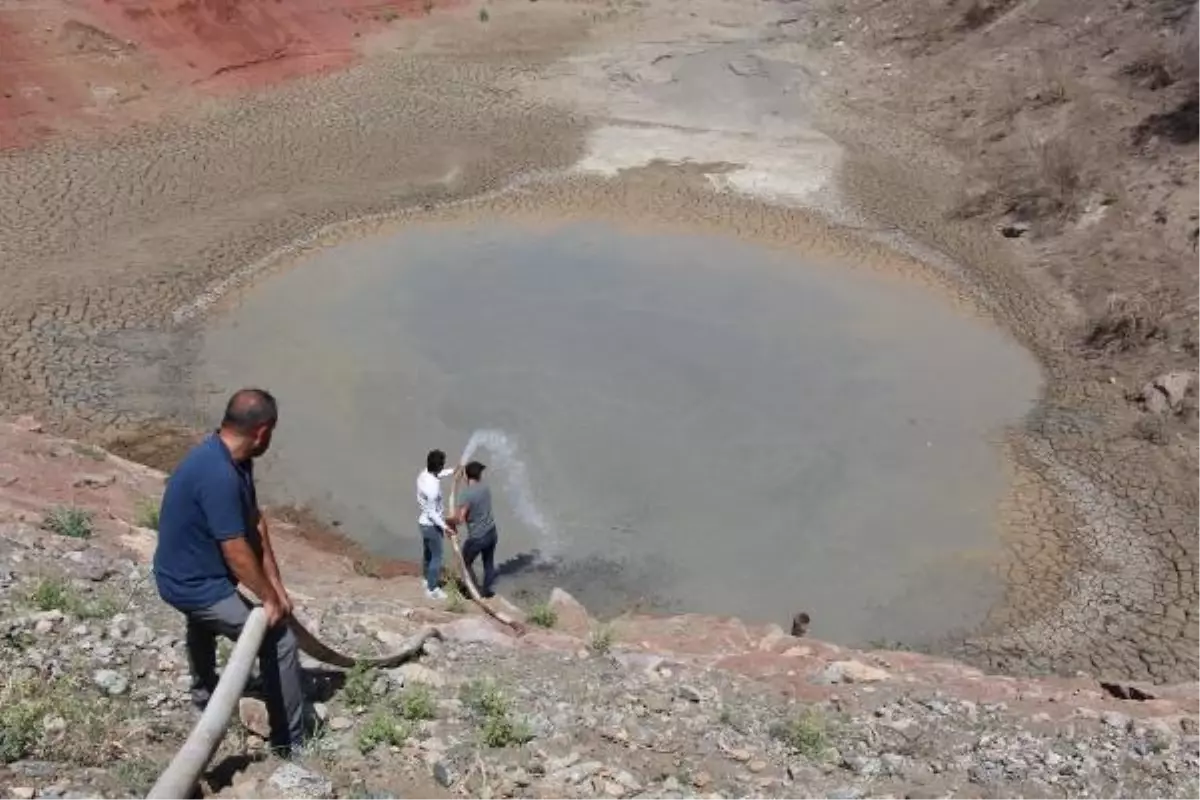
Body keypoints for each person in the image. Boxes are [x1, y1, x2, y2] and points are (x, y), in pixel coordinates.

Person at [152, 388, 305, 756]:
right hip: (188, 583)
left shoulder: (237, 458)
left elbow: (256, 524)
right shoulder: (217, 473)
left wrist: (276, 588)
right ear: (263, 431)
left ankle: (205, 694)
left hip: (198, 574)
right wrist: (269, 604)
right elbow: (236, 550)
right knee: (280, 641)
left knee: (204, 624)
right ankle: (291, 744)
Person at [451, 460, 500, 598]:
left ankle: (472, 591)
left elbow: (460, 519)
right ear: (479, 476)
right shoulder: (485, 488)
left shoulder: (466, 494)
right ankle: (487, 592)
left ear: (466, 476)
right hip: (492, 532)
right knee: (488, 564)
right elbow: (474, 512)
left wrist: (447, 521)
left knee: (464, 563)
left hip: (478, 537)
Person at [416, 449, 457, 600]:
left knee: (428, 554)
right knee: (437, 557)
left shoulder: (424, 474)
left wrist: (453, 471)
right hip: (432, 526)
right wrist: (445, 527)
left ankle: (426, 580)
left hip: (423, 524)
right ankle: (432, 589)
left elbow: (437, 474)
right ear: (439, 466)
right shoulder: (432, 489)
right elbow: (432, 513)